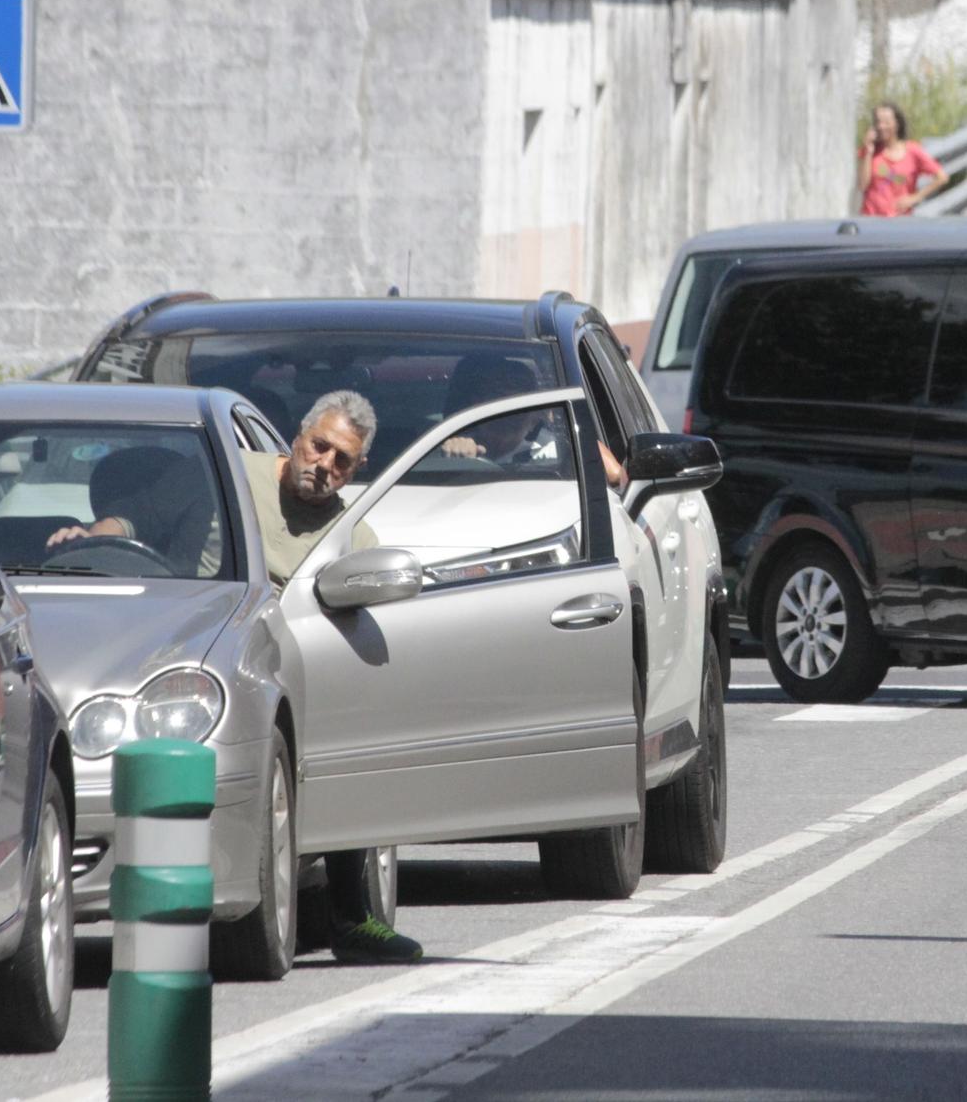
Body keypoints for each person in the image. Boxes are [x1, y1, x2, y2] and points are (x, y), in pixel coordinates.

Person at [47, 390, 422, 965]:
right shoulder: (230, 471)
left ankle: (353, 916)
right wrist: (91, 536)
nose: (323, 465)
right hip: (200, 635)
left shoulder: (352, 534)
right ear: (298, 437)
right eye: (319, 446)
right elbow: (141, 517)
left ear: (358, 468)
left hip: (289, 659)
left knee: (352, 727)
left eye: (341, 460)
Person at [440, 354, 627, 489]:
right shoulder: (447, 446)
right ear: (475, 405)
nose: (506, 413)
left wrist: (582, 448)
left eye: (519, 404)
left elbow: (617, 477)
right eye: (495, 399)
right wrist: (455, 459)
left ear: (536, 415)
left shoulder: (559, 445)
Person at [856, 102, 946, 217]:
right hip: (871, 219)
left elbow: (942, 177)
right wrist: (868, 151)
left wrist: (914, 198)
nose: (881, 126)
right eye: (878, 122)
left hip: (899, 220)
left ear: (897, 124)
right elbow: (862, 185)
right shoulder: (870, 151)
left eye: (886, 122)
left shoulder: (913, 151)